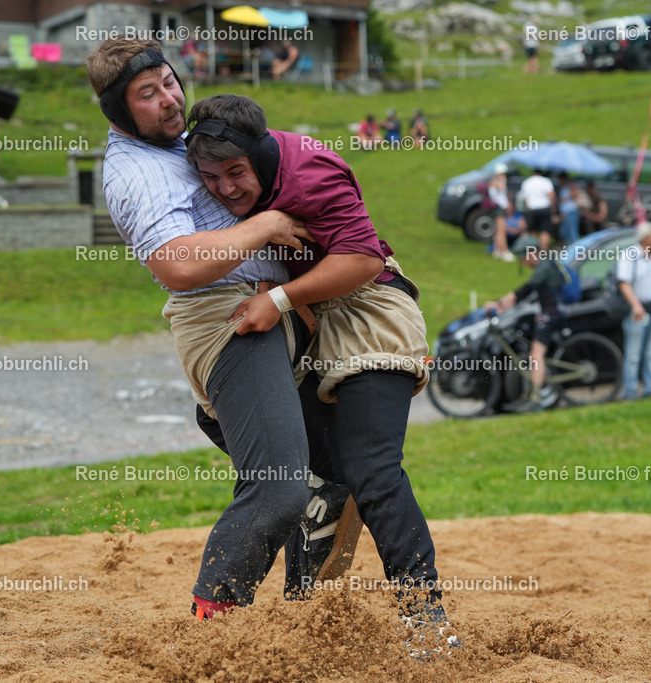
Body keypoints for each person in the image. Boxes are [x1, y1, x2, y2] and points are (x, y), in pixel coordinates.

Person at [86, 39, 359, 623]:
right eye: (147, 94)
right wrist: (267, 225)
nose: (169, 99)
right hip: (225, 321)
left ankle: (304, 624)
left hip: (266, 310)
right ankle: (211, 630)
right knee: (278, 489)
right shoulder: (138, 172)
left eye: (169, 81)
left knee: (340, 476)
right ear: (116, 110)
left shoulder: (181, 142)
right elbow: (178, 265)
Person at [184, 94, 457, 657]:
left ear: (260, 156)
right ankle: (308, 603)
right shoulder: (226, 180)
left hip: (366, 310)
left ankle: (427, 624)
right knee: (257, 444)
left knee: (372, 471)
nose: (225, 188)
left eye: (235, 172)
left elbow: (363, 259)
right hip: (305, 320)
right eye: (210, 177)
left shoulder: (311, 170)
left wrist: (279, 298)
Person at [484, 234, 565, 411]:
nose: (522, 261)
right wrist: (503, 305)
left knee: (536, 355)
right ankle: (530, 394)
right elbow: (524, 295)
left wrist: (498, 304)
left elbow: (524, 291)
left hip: (551, 314)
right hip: (548, 312)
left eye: (522, 257)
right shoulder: (544, 264)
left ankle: (536, 399)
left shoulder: (544, 267)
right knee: (529, 348)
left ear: (531, 253)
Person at [617, 222, 651, 400]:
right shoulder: (630, 255)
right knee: (633, 354)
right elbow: (624, 283)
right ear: (646, 238)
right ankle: (630, 391)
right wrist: (636, 305)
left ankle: (650, 389)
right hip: (638, 311)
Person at [519, 169, 556, 250]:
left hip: (532, 210)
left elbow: (524, 198)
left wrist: (527, 208)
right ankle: (543, 251)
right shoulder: (546, 181)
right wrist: (553, 207)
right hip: (544, 209)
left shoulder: (526, 182)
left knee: (533, 231)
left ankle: (534, 251)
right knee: (545, 231)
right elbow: (552, 195)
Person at [487, 164, 516, 261]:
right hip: (498, 208)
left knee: (498, 230)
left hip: (500, 208)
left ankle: (497, 250)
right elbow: (501, 188)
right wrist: (503, 180)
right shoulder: (495, 181)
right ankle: (504, 251)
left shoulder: (494, 181)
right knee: (502, 231)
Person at [556, 172, 581, 245]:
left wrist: (564, 199)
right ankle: (569, 245)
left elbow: (575, 194)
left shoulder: (570, 185)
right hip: (565, 213)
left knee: (572, 231)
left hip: (571, 211)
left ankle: (575, 246)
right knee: (564, 231)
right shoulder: (563, 187)